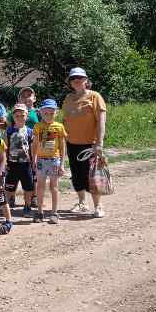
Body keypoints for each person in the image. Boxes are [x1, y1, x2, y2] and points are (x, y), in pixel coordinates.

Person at [61, 67, 108, 218]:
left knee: (92, 176)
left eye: (80, 78)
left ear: (86, 80)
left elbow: (101, 121)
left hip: (90, 144)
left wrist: (99, 143)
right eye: (74, 79)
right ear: (70, 82)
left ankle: (98, 206)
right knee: (76, 174)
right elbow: (65, 120)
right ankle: (82, 203)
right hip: (72, 143)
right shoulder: (68, 98)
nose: (77, 81)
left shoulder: (95, 97)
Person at [31, 99, 67, 225]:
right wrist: (34, 159)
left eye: (51, 113)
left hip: (54, 160)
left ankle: (54, 212)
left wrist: (62, 163)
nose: (48, 116)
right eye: (46, 113)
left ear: (56, 113)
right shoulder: (37, 127)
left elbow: (62, 146)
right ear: (41, 113)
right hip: (41, 160)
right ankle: (40, 211)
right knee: (40, 186)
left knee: (54, 187)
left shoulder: (59, 127)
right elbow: (35, 144)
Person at [5, 104, 35, 219]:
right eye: (17, 116)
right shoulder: (9, 130)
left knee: (28, 187)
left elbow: (32, 148)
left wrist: (34, 162)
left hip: (26, 163)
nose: (20, 118)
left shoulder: (29, 131)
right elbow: (6, 147)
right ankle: (6, 205)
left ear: (26, 116)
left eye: (22, 115)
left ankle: (27, 206)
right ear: (13, 116)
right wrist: (5, 162)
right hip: (12, 164)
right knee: (9, 186)